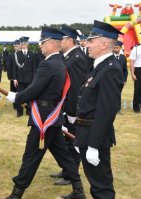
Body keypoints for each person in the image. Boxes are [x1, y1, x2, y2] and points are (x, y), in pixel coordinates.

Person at [0, 27, 86, 199]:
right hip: (53, 116)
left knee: (31, 157)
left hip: (44, 119)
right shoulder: (59, 61)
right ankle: (78, 190)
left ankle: (16, 195)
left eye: (42, 43)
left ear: (51, 43)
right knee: (63, 156)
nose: (41, 46)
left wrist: (17, 97)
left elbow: (35, 88)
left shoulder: (49, 63)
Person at [73, 20, 124, 199]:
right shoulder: (100, 65)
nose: (87, 44)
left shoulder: (111, 69)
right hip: (86, 132)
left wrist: (93, 145)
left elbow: (106, 111)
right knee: (94, 179)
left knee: (102, 181)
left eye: (91, 41)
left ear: (104, 43)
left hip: (97, 135)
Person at [50, 25, 87, 186]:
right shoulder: (67, 56)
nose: (59, 42)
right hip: (64, 107)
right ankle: (67, 169)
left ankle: (71, 175)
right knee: (66, 141)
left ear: (70, 40)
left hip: (72, 109)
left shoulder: (77, 58)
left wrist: (72, 112)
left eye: (62, 39)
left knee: (72, 142)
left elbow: (76, 87)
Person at [12, 36, 37, 117]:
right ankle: (19, 112)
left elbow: (34, 68)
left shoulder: (32, 54)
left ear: (27, 44)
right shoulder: (17, 54)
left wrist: (34, 78)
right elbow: (14, 68)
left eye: (25, 44)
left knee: (29, 95)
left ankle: (29, 111)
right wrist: (15, 78)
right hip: (20, 79)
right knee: (19, 96)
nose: (23, 45)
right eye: (22, 44)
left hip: (30, 79)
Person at [113, 40, 128, 113]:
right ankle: (110, 108)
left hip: (120, 80)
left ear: (120, 48)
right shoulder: (110, 57)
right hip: (111, 79)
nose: (115, 49)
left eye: (117, 48)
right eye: (114, 47)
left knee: (118, 94)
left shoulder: (123, 57)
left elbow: (125, 70)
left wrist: (125, 80)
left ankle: (118, 109)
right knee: (110, 94)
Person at [6, 39, 21, 109]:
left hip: (22, 77)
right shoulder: (11, 55)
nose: (16, 47)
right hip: (13, 76)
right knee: (14, 91)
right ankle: (15, 105)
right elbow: (9, 67)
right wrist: (11, 77)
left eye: (17, 46)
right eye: (15, 46)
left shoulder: (22, 54)